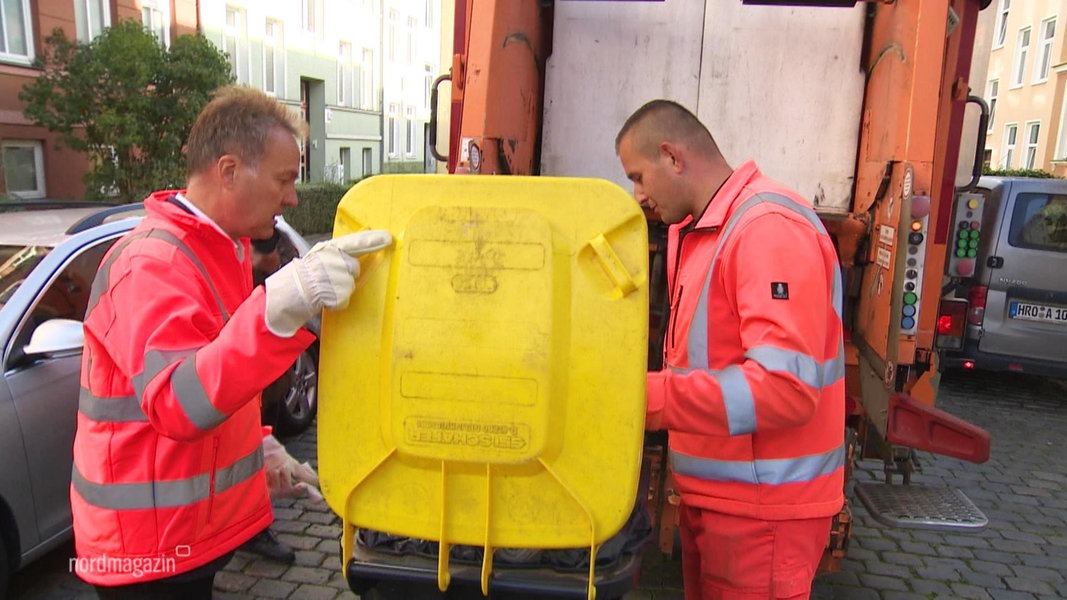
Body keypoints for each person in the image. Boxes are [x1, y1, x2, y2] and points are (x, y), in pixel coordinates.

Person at [71, 85, 391, 599]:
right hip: (145, 553)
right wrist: (277, 309)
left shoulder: (221, 251)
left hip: (180, 536)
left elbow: (217, 373)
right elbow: (178, 403)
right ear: (228, 171)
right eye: (285, 179)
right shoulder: (151, 264)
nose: (292, 198)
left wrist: (260, 446)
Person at [615, 99, 844, 599]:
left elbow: (786, 389)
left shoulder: (766, 229)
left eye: (638, 176)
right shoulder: (699, 231)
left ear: (672, 157)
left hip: (762, 513)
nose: (637, 195)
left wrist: (643, 398)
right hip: (725, 502)